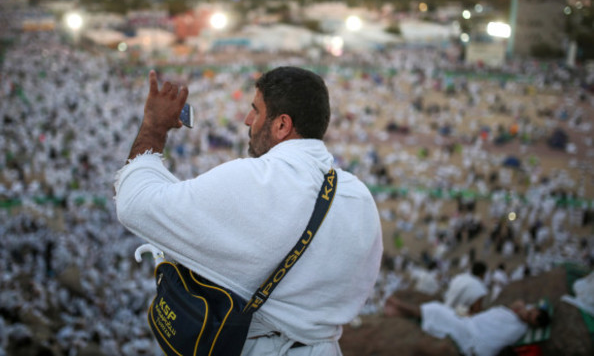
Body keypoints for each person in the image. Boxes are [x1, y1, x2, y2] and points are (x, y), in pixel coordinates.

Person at [114, 67, 383, 355]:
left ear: (282, 125)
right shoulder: (360, 198)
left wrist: (154, 126)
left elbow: (134, 203)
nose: (247, 120)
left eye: (255, 110)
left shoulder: (254, 179)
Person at [385, 295, 551, 356]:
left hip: (473, 338)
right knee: (440, 311)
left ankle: (400, 307)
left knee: (436, 310)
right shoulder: (520, 313)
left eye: (531, 318)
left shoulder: (520, 328)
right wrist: (524, 310)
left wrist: (524, 313)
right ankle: (401, 311)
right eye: (531, 313)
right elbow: (518, 302)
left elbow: (517, 310)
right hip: (470, 325)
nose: (528, 316)